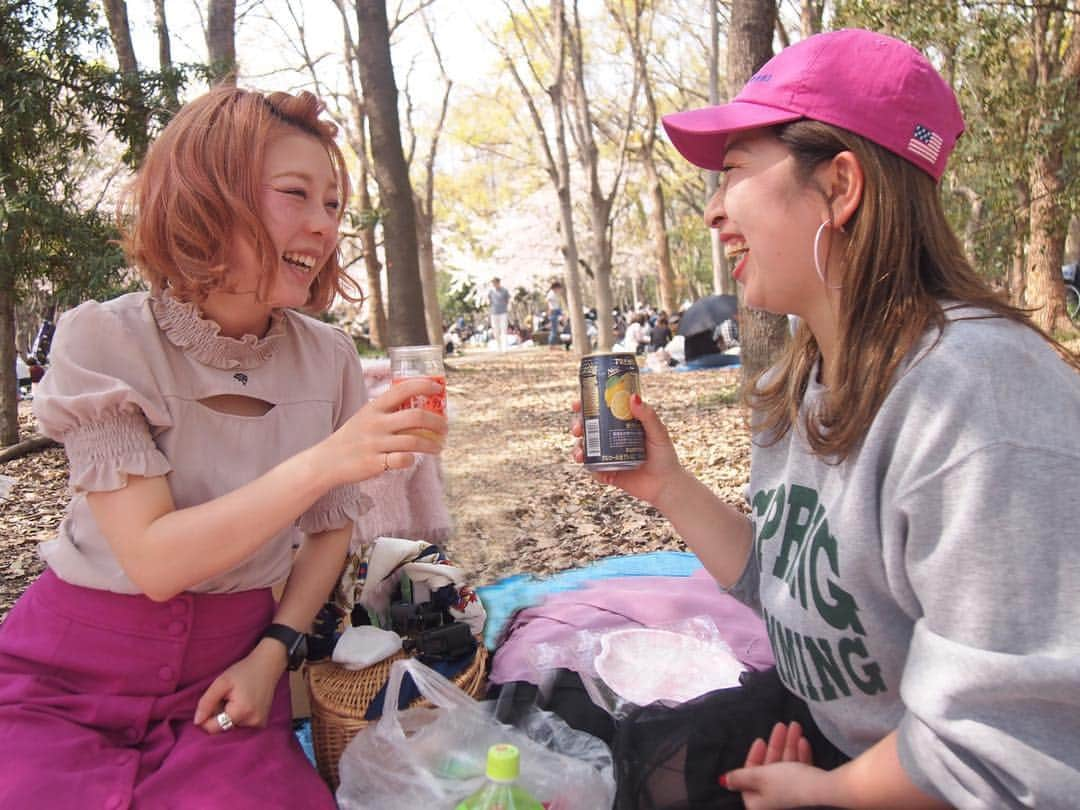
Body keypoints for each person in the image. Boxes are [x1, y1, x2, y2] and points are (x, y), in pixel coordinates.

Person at [573, 29, 1080, 808]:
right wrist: (667, 485)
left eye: (734, 172)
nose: (712, 212)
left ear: (840, 186)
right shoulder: (803, 377)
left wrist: (834, 792)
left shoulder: (977, 398)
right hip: (832, 732)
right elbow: (789, 587)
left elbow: (1010, 743)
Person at [0, 87, 448, 809]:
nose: (323, 225)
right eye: (296, 194)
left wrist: (273, 655)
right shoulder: (104, 339)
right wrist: (329, 457)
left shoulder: (327, 354)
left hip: (228, 679)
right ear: (207, 198)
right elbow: (154, 560)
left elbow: (329, 530)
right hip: (64, 679)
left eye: (332, 204)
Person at [487, 277, 511, 352]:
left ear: (498, 282)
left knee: (503, 329)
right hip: (494, 313)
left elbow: (507, 300)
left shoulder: (504, 291)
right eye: (493, 283)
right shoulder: (491, 292)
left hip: (503, 313)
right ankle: (499, 346)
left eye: (495, 282)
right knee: (495, 330)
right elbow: (490, 301)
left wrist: (504, 307)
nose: (494, 284)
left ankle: (505, 348)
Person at [546, 280, 564, 349]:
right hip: (553, 311)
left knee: (555, 329)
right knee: (554, 330)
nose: (559, 290)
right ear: (555, 288)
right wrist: (549, 312)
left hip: (557, 310)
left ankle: (553, 345)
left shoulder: (555, 294)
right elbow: (548, 303)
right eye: (558, 288)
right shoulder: (551, 294)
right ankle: (551, 345)